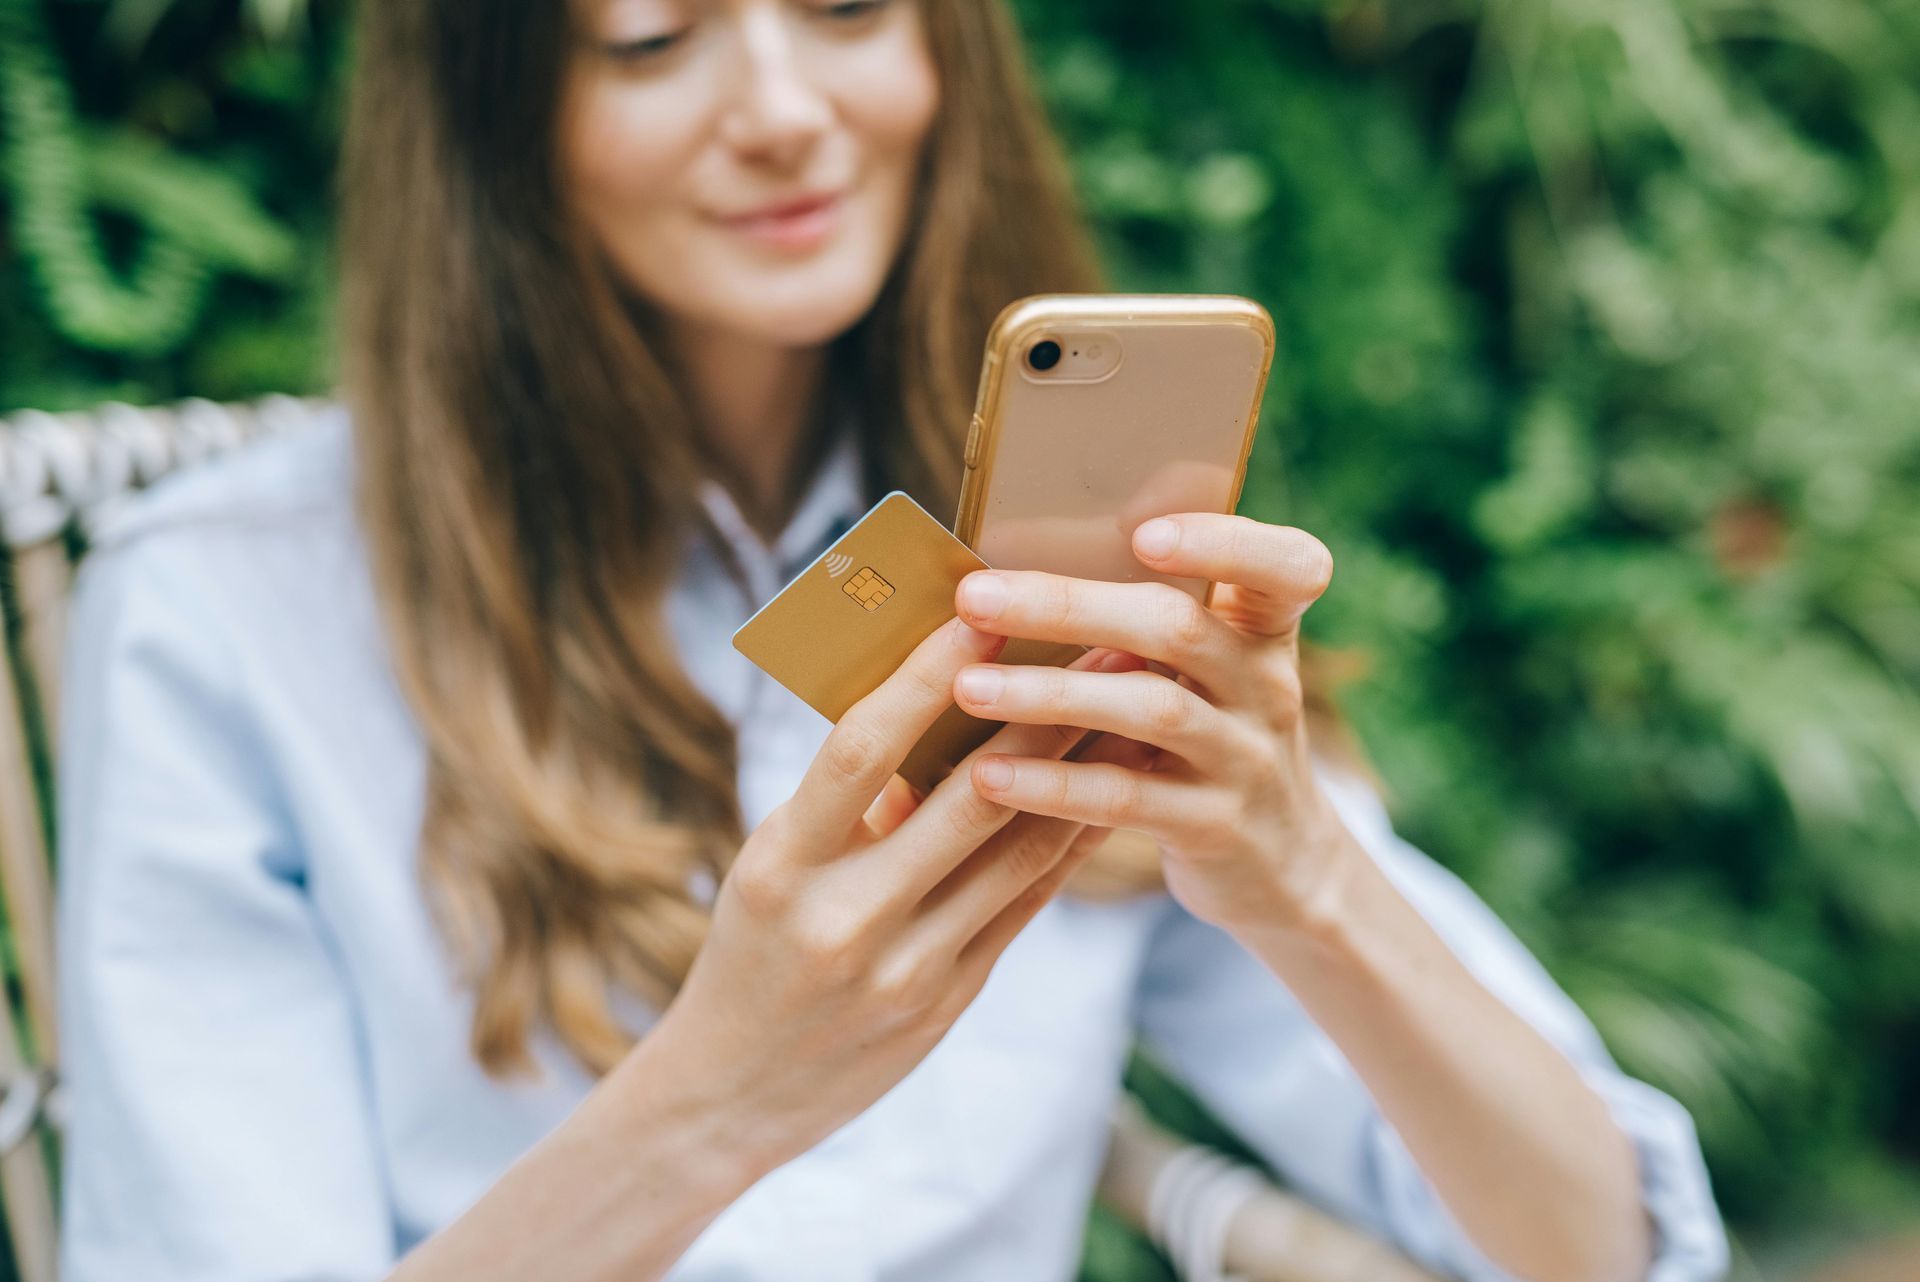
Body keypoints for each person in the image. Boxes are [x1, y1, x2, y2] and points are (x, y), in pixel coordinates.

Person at [53, 2, 1729, 1280]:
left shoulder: (1066, 572)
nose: (784, 112)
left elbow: (1601, 1242)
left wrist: (1300, 869)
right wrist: (719, 1097)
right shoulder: (227, 611)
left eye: (852, 6)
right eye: (651, 38)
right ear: (498, 115)